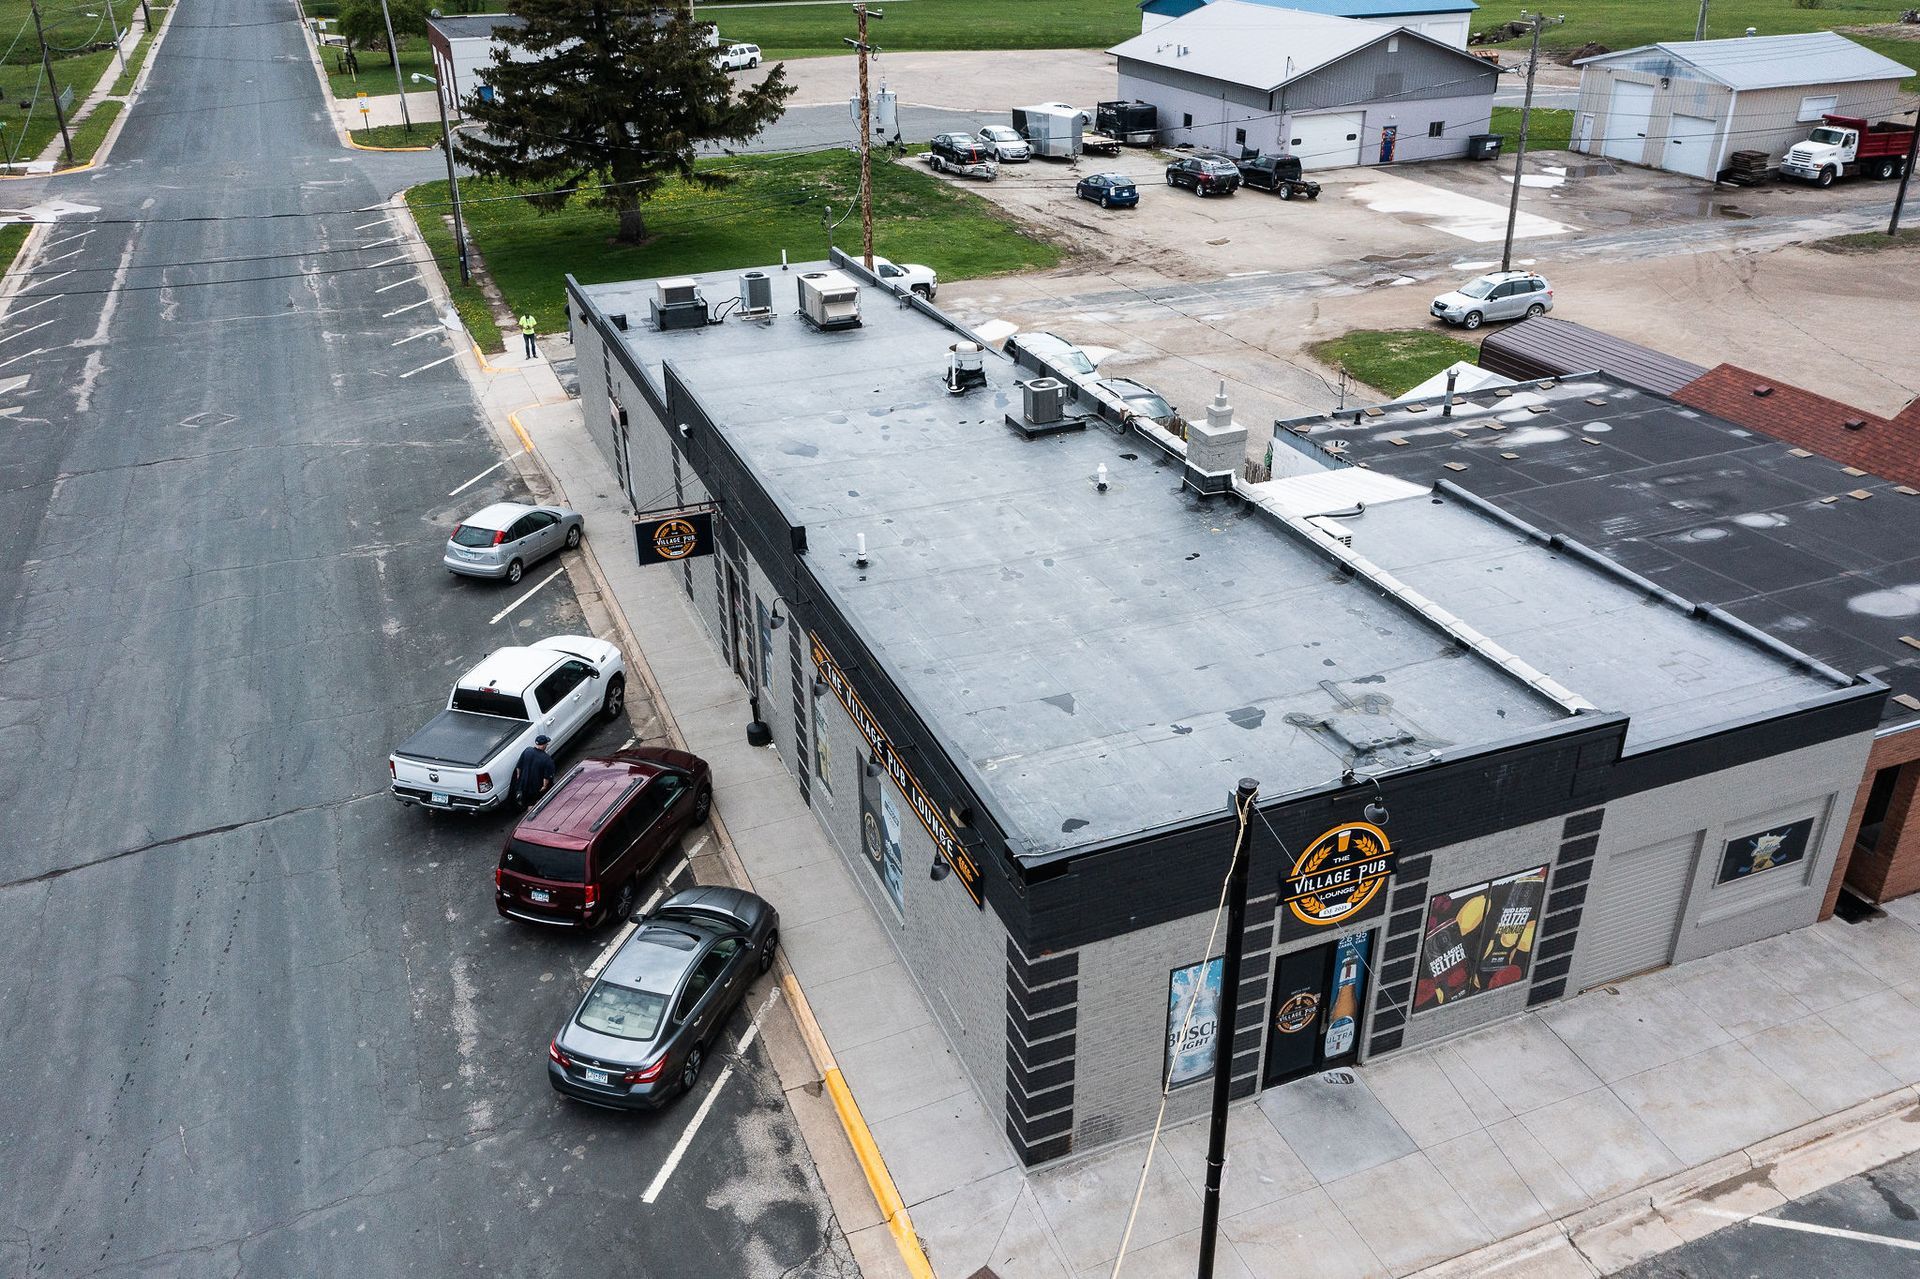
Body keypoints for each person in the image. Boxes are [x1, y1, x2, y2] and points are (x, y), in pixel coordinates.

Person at [511, 734, 556, 807]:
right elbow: (546, 778)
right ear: (544, 745)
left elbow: (518, 767)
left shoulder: (527, 750)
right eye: (546, 743)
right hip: (536, 788)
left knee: (529, 803)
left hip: (524, 785)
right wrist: (544, 787)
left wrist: (520, 778)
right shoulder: (547, 760)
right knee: (538, 804)